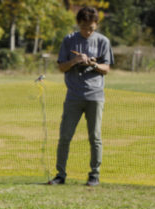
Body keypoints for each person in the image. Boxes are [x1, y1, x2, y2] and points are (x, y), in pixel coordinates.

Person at [50, 6, 113, 187]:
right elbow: (62, 66)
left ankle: (94, 175)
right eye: (84, 28)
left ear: (96, 25)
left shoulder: (103, 41)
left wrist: (94, 64)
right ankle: (60, 175)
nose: (87, 32)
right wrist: (75, 61)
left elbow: (106, 69)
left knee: (95, 137)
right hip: (73, 97)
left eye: (91, 29)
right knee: (65, 136)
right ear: (78, 24)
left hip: (95, 96)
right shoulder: (69, 40)